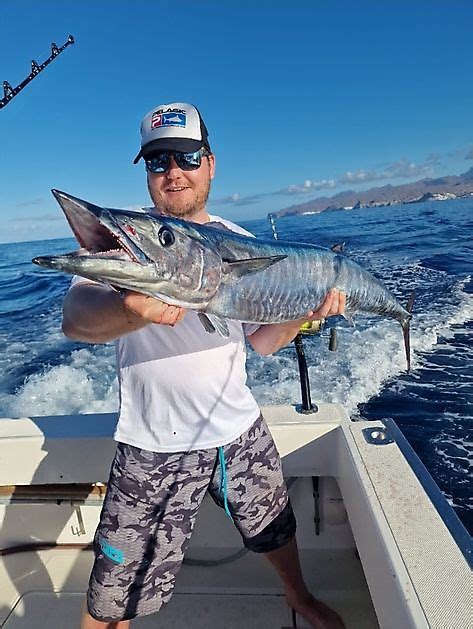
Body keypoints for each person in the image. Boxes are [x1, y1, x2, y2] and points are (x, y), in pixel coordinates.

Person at [62, 102, 346, 629]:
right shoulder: (130, 239)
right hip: (152, 443)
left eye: (187, 156)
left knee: (274, 528)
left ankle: (299, 598)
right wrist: (129, 309)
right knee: (110, 596)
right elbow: (76, 320)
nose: (173, 172)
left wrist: (306, 314)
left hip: (237, 427)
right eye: (157, 160)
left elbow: (261, 344)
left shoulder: (242, 242)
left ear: (210, 164)